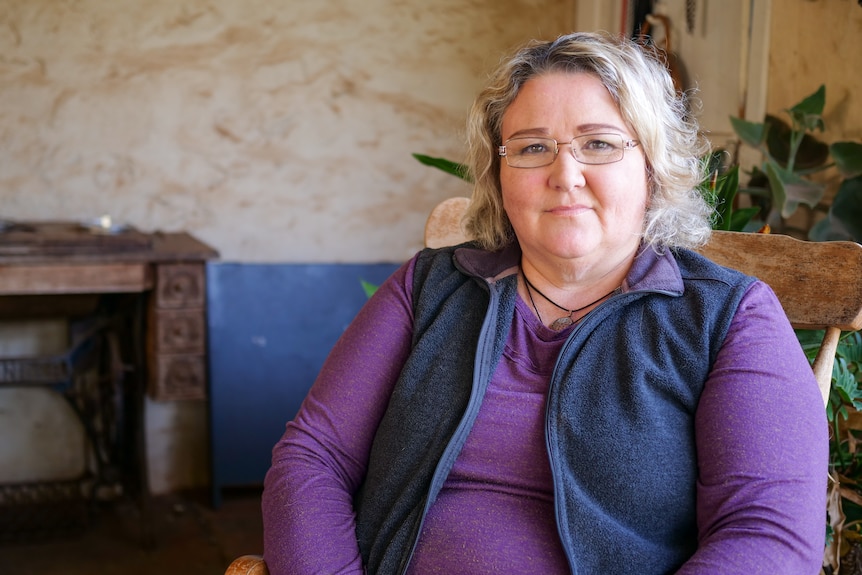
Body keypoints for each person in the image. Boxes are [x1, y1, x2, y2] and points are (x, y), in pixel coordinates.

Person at [261, 31, 828, 574]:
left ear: (652, 168)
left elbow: (766, 537)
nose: (566, 175)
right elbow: (314, 457)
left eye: (599, 144)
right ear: (499, 173)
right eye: (533, 147)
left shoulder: (728, 318)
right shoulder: (430, 287)